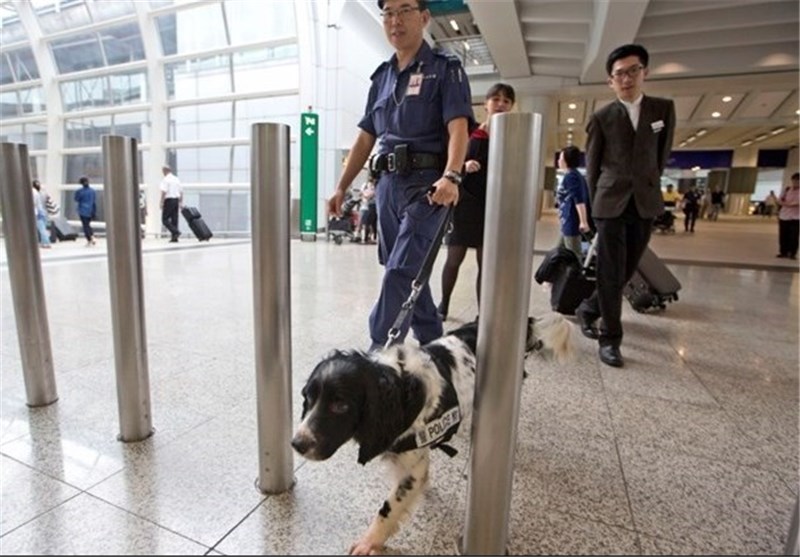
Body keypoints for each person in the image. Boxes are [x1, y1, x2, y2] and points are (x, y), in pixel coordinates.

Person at [327, 0, 474, 352]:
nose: (395, 20)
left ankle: (379, 351)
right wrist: (342, 185)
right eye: (388, 13)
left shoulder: (445, 69)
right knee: (408, 274)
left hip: (427, 187)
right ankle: (434, 346)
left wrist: (452, 176)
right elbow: (365, 137)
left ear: (423, 18)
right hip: (387, 187)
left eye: (404, 10)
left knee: (400, 271)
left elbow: (458, 128)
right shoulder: (381, 78)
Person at [574, 43, 675, 368]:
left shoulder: (662, 110)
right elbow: (592, 167)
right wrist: (591, 210)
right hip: (609, 202)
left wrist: (647, 186)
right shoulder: (602, 117)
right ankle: (610, 338)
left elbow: (660, 158)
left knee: (629, 269)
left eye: (633, 71)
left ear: (644, 72)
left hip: (644, 201)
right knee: (610, 270)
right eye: (619, 74)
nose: (627, 78)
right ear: (611, 81)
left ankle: (590, 308)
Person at [437, 82, 515, 320]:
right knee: (454, 259)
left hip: (492, 206)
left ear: (511, 106)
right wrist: (464, 165)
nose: (501, 104)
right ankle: (444, 304)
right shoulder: (471, 132)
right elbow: (448, 161)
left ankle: (483, 314)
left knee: (486, 264)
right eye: (496, 99)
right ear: (486, 104)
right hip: (465, 204)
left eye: (506, 101)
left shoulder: (511, 138)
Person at [554, 144, 591, 260]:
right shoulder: (573, 175)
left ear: (566, 161)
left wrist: (583, 221)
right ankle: (559, 275)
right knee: (559, 252)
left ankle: (574, 277)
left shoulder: (572, 176)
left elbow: (579, 200)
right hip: (567, 222)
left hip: (572, 222)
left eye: (561, 158)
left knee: (574, 256)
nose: (558, 161)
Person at [776, 172, 799, 260]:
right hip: (784, 216)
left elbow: (797, 203)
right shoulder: (786, 189)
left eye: (798, 181)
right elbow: (779, 200)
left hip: (796, 217)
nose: (796, 182)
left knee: (794, 236)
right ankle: (783, 252)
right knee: (783, 235)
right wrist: (788, 204)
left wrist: (788, 204)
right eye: (794, 180)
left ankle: (792, 253)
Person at [160, 166, 183, 242]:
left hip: (169, 200)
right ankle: (174, 238)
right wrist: (180, 202)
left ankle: (176, 232)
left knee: (164, 219)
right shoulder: (176, 179)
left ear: (165, 171)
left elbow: (164, 191)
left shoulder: (165, 179)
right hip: (176, 200)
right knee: (174, 219)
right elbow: (181, 191)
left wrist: (161, 202)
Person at [73, 176, 97, 246]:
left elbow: (76, 199)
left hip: (82, 210)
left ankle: (90, 238)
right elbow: (94, 202)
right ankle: (92, 236)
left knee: (85, 225)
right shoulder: (92, 191)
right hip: (91, 210)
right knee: (88, 224)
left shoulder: (79, 191)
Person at [357, 173, 378, 243]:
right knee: (365, 222)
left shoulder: (376, 185)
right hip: (365, 205)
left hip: (373, 205)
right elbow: (361, 194)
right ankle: (365, 237)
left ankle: (372, 237)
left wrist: (367, 194)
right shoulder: (365, 185)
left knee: (372, 222)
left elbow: (374, 193)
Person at [31, 180, 52, 249]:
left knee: (42, 229)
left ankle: (46, 242)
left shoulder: (33, 193)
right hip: (44, 212)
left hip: (38, 212)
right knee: (43, 228)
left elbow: (34, 203)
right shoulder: (43, 192)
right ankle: (44, 242)